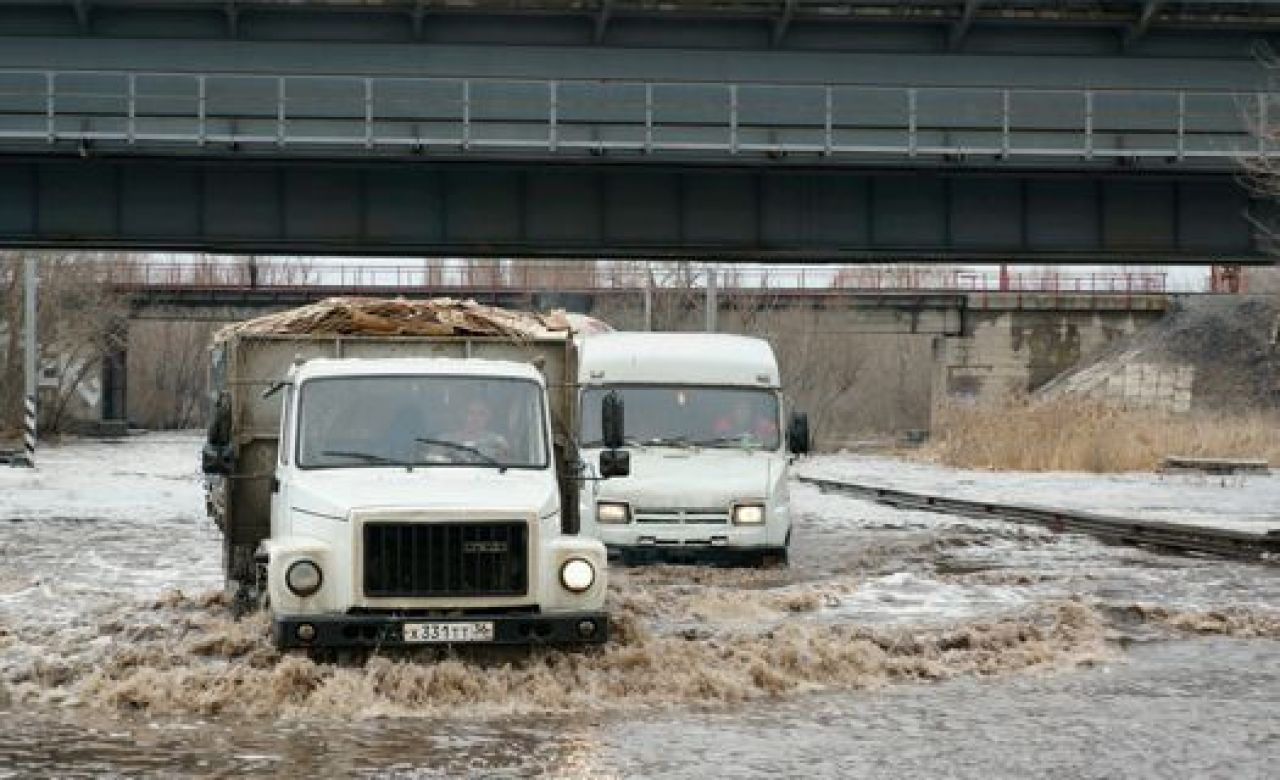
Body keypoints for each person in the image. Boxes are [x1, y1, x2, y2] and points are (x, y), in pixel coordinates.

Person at [442, 398, 511, 462]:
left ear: (489, 417)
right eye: (471, 413)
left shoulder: (497, 442)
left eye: (481, 414)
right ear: (463, 415)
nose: (475, 418)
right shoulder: (446, 440)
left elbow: (504, 466)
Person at [711, 397, 778, 444]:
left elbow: (775, 438)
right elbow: (718, 442)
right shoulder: (723, 425)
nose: (742, 412)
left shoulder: (764, 425)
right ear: (733, 410)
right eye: (739, 409)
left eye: (745, 409)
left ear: (751, 411)